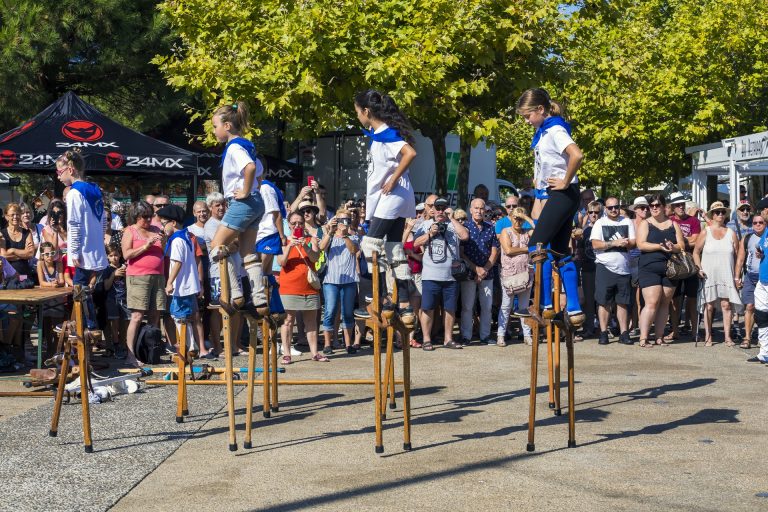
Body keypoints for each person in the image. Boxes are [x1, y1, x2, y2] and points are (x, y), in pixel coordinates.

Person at [516, 87, 584, 320]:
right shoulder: (543, 133)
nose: (526, 121)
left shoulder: (554, 129)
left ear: (540, 109)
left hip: (564, 193)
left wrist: (565, 180)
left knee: (537, 246)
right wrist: (539, 194)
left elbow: (577, 155)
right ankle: (574, 309)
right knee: (559, 251)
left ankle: (543, 304)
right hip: (554, 194)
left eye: (528, 116)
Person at [354, 89, 417, 326]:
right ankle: (403, 303)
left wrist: (393, 178)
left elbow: (409, 153)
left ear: (367, 112)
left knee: (371, 243)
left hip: (394, 195)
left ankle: (379, 297)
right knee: (394, 248)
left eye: (358, 112)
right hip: (396, 197)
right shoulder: (379, 134)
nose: (358, 117)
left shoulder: (387, 133)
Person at [207, 101, 269, 317]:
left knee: (216, 244)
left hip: (242, 202)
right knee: (247, 252)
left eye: (215, 126)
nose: (213, 131)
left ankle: (235, 293)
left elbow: (250, 168)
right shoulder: (247, 145)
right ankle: (259, 299)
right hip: (255, 202)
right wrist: (253, 190)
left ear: (227, 126)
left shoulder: (234, 147)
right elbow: (259, 170)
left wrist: (244, 191)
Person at [56, 150, 108, 332]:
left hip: (83, 252)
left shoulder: (74, 193)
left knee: (79, 294)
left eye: (59, 172)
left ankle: (86, 326)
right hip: (96, 251)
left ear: (70, 169)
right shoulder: (95, 189)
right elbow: (104, 221)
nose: (58, 177)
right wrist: (100, 243)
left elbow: (75, 225)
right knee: (84, 293)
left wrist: (75, 252)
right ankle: (86, 325)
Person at [413, 197, 470, 351]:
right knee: (428, 308)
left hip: (451, 276)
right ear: (433, 210)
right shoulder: (426, 224)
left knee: (450, 308)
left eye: (442, 208)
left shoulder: (452, 225)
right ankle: (426, 339)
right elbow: (415, 243)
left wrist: (452, 219)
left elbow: (465, 236)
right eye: (437, 208)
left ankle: (448, 339)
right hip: (430, 275)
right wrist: (430, 234)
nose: (439, 211)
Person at [121, 201, 166, 367]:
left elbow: (163, 251)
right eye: (144, 217)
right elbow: (126, 255)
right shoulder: (130, 231)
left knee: (155, 315)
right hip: (138, 277)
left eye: (150, 216)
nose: (148, 220)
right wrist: (146, 246)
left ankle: (151, 352)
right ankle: (130, 355)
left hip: (158, 276)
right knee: (137, 316)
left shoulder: (155, 229)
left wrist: (164, 241)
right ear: (136, 217)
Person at [636, 194, 685, 347]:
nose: (654, 208)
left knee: (665, 302)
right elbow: (641, 244)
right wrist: (659, 246)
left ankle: (659, 336)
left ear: (664, 207)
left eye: (657, 205)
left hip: (670, 268)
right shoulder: (645, 223)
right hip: (649, 267)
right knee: (652, 302)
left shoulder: (673, 224)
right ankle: (643, 338)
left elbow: (682, 245)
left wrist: (673, 247)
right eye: (652, 206)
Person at [277, 211, 324, 363]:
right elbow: (281, 262)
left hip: (309, 286)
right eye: (294, 223)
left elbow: (316, 258)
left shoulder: (311, 239)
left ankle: (315, 352)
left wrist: (306, 245)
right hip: (289, 286)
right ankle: (287, 353)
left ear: (304, 224)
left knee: (311, 321)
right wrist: (290, 246)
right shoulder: (283, 241)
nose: (297, 225)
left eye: (300, 223)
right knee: (288, 320)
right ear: (288, 225)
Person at [693, 201, 742, 347]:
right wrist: (698, 268)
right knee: (709, 306)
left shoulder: (731, 233)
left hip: (726, 273)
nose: (720, 214)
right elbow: (696, 252)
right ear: (712, 215)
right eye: (717, 212)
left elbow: (738, 255)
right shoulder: (705, 231)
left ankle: (728, 337)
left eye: (722, 212)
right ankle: (708, 335)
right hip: (708, 274)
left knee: (726, 305)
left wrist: (737, 275)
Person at [589, 197, 636, 345]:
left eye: (616, 207)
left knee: (623, 302)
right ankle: (603, 332)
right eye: (610, 208)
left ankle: (624, 333)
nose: (614, 210)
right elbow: (595, 244)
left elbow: (634, 242)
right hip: (605, 266)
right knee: (604, 302)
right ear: (605, 209)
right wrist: (614, 243)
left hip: (624, 268)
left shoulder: (627, 221)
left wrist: (628, 243)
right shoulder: (600, 223)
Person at [160, 205, 203, 359]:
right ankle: (190, 345)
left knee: (178, 315)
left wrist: (169, 282)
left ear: (173, 223)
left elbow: (177, 262)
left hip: (182, 285)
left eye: (164, 223)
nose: (162, 227)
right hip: (187, 284)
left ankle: (189, 345)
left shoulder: (178, 240)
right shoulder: (185, 237)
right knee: (182, 315)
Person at [459, 198, 500, 345]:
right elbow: (461, 252)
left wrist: (485, 269)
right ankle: (466, 336)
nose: (479, 211)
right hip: (469, 273)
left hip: (487, 273)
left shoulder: (490, 228)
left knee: (487, 307)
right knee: (467, 307)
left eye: (481, 208)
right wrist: (476, 269)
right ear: (470, 210)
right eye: (476, 208)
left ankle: (485, 336)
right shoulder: (465, 228)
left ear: (485, 211)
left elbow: (495, 251)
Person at [319, 209, 359, 354]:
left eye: (347, 220)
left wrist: (345, 236)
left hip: (349, 280)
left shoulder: (354, 236)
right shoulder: (329, 235)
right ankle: (327, 344)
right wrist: (330, 232)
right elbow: (321, 248)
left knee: (347, 313)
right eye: (341, 220)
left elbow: (354, 250)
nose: (344, 223)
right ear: (336, 220)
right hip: (331, 280)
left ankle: (348, 344)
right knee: (330, 311)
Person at [498, 207, 535, 346]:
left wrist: (527, 218)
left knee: (524, 306)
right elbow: (508, 250)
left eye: (520, 218)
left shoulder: (527, 232)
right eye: (515, 217)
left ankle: (527, 334)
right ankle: (501, 335)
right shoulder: (505, 231)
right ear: (510, 218)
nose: (517, 221)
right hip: (510, 274)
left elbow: (539, 234)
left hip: (525, 273)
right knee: (506, 306)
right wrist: (528, 249)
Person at [667, 191, 700, 341]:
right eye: (677, 205)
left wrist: (680, 240)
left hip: (691, 263)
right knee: (675, 300)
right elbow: (670, 241)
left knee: (692, 299)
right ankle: (675, 331)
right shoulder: (669, 221)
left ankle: (695, 332)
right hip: (675, 263)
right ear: (672, 207)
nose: (681, 207)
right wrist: (687, 241)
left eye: (682, 204)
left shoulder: (693, 221)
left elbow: (696, 240)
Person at [735, 214, 764, 348]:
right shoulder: (747, 238)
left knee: (763, 309)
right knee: (749, 306)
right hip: (750, 276)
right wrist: (737, 277)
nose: (757, 225)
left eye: (760, 222)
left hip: (764, 278)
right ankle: (747, 337)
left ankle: (763, 339)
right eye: (755, 222)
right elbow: (740, 260)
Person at [37, 241, 66, 358]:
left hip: (57, 297)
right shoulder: (40, 264)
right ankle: (50, 349)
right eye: (47, 254)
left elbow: (62, 280)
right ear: (42, 255)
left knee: (57, 324)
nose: (50, 256)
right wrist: (52, 284)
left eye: (52, 253)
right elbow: (41, 282)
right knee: (47, 325)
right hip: (46, 297)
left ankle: (57, 349)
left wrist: (57, 283)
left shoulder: (58, 264)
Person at [627, 196, 650, 333]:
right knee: (631, 296)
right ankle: (632, 324)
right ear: (635, 210)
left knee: (642, 297)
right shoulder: (628, 223)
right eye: (642, 207)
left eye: (646, 207)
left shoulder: (650, 223)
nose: (645, 210)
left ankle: (640, 325)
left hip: (645, 260)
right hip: (629, 262)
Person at [102, 243, 129, 359]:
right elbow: (106, 286)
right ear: (107, 257)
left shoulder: (125, 267)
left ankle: (123, 345)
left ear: (120, 255)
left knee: (125, 325)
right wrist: (114, 274)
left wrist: (126, 274)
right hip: (112, 300)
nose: (114, 258)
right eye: (111, 255)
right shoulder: (107, 269)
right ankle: (115, 345)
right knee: (114, 324)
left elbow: (129, 286)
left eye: (116, 255)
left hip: (124, 299)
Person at [0, 203, 35, 283]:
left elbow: (30, 254)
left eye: (17, 214)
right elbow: (3, 256)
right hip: (8, 278)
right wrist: (23, 255)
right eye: (12, 215)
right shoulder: (2, 234)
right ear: (6, 217)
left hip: (25, 276)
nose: (15, 217)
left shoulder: (27, 233)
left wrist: (12, 250)